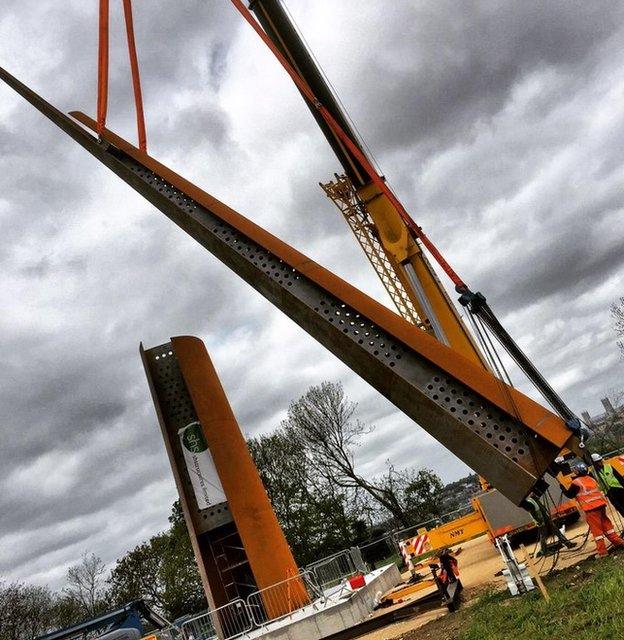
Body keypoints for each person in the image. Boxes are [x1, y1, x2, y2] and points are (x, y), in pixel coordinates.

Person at [562, 462, 624, 557]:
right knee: (607, 527)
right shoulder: (592, 479)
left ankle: (602, 552)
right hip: (601, 505)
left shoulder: (576, 482)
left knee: (597, 532)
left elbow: (570, 494)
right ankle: (619, 543)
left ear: (577, 471)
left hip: (591, 509)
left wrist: (562, 488)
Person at [591, 453, 624, 519]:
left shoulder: (609, 466)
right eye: (599, 461)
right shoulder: (593, 473)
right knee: (619, 508)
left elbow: (619, 477)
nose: (601, 462)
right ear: (595, 463)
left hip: (619, 489)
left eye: (601, 460)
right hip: (609, 493)